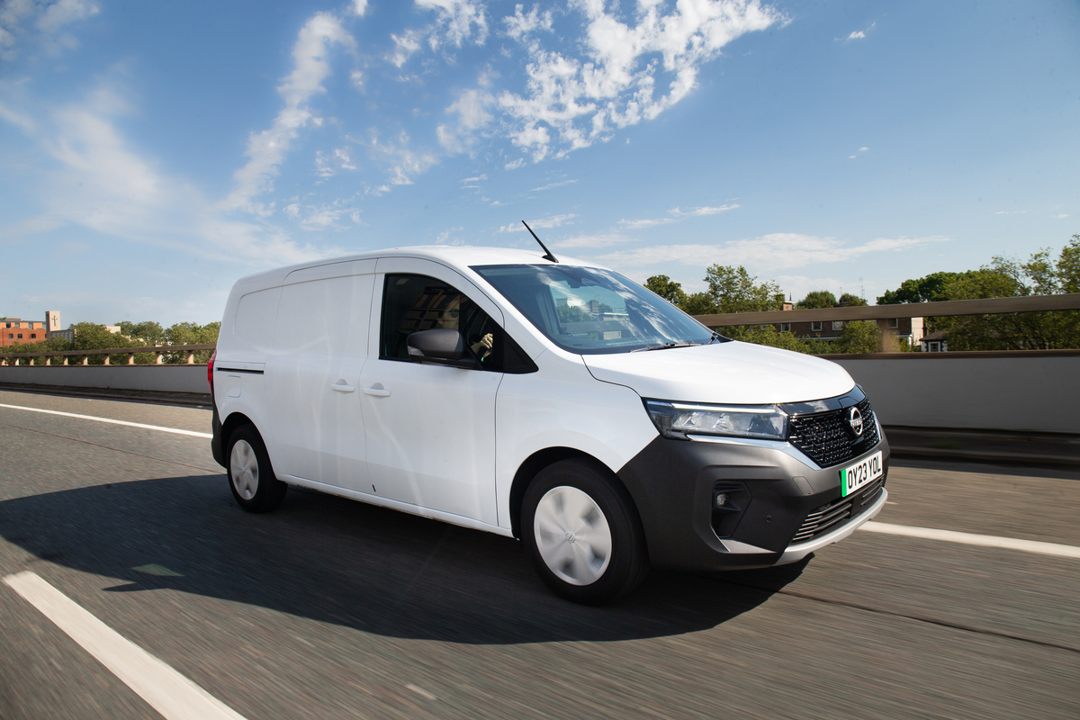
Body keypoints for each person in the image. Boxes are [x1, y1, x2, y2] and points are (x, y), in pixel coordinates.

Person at [436, 296, 493, 360]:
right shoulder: (432, 342)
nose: (460, 318)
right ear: (440, 319)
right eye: (454, 313)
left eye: (462, 314)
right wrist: (478, 346)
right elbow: (455, 361)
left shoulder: (465, 339)